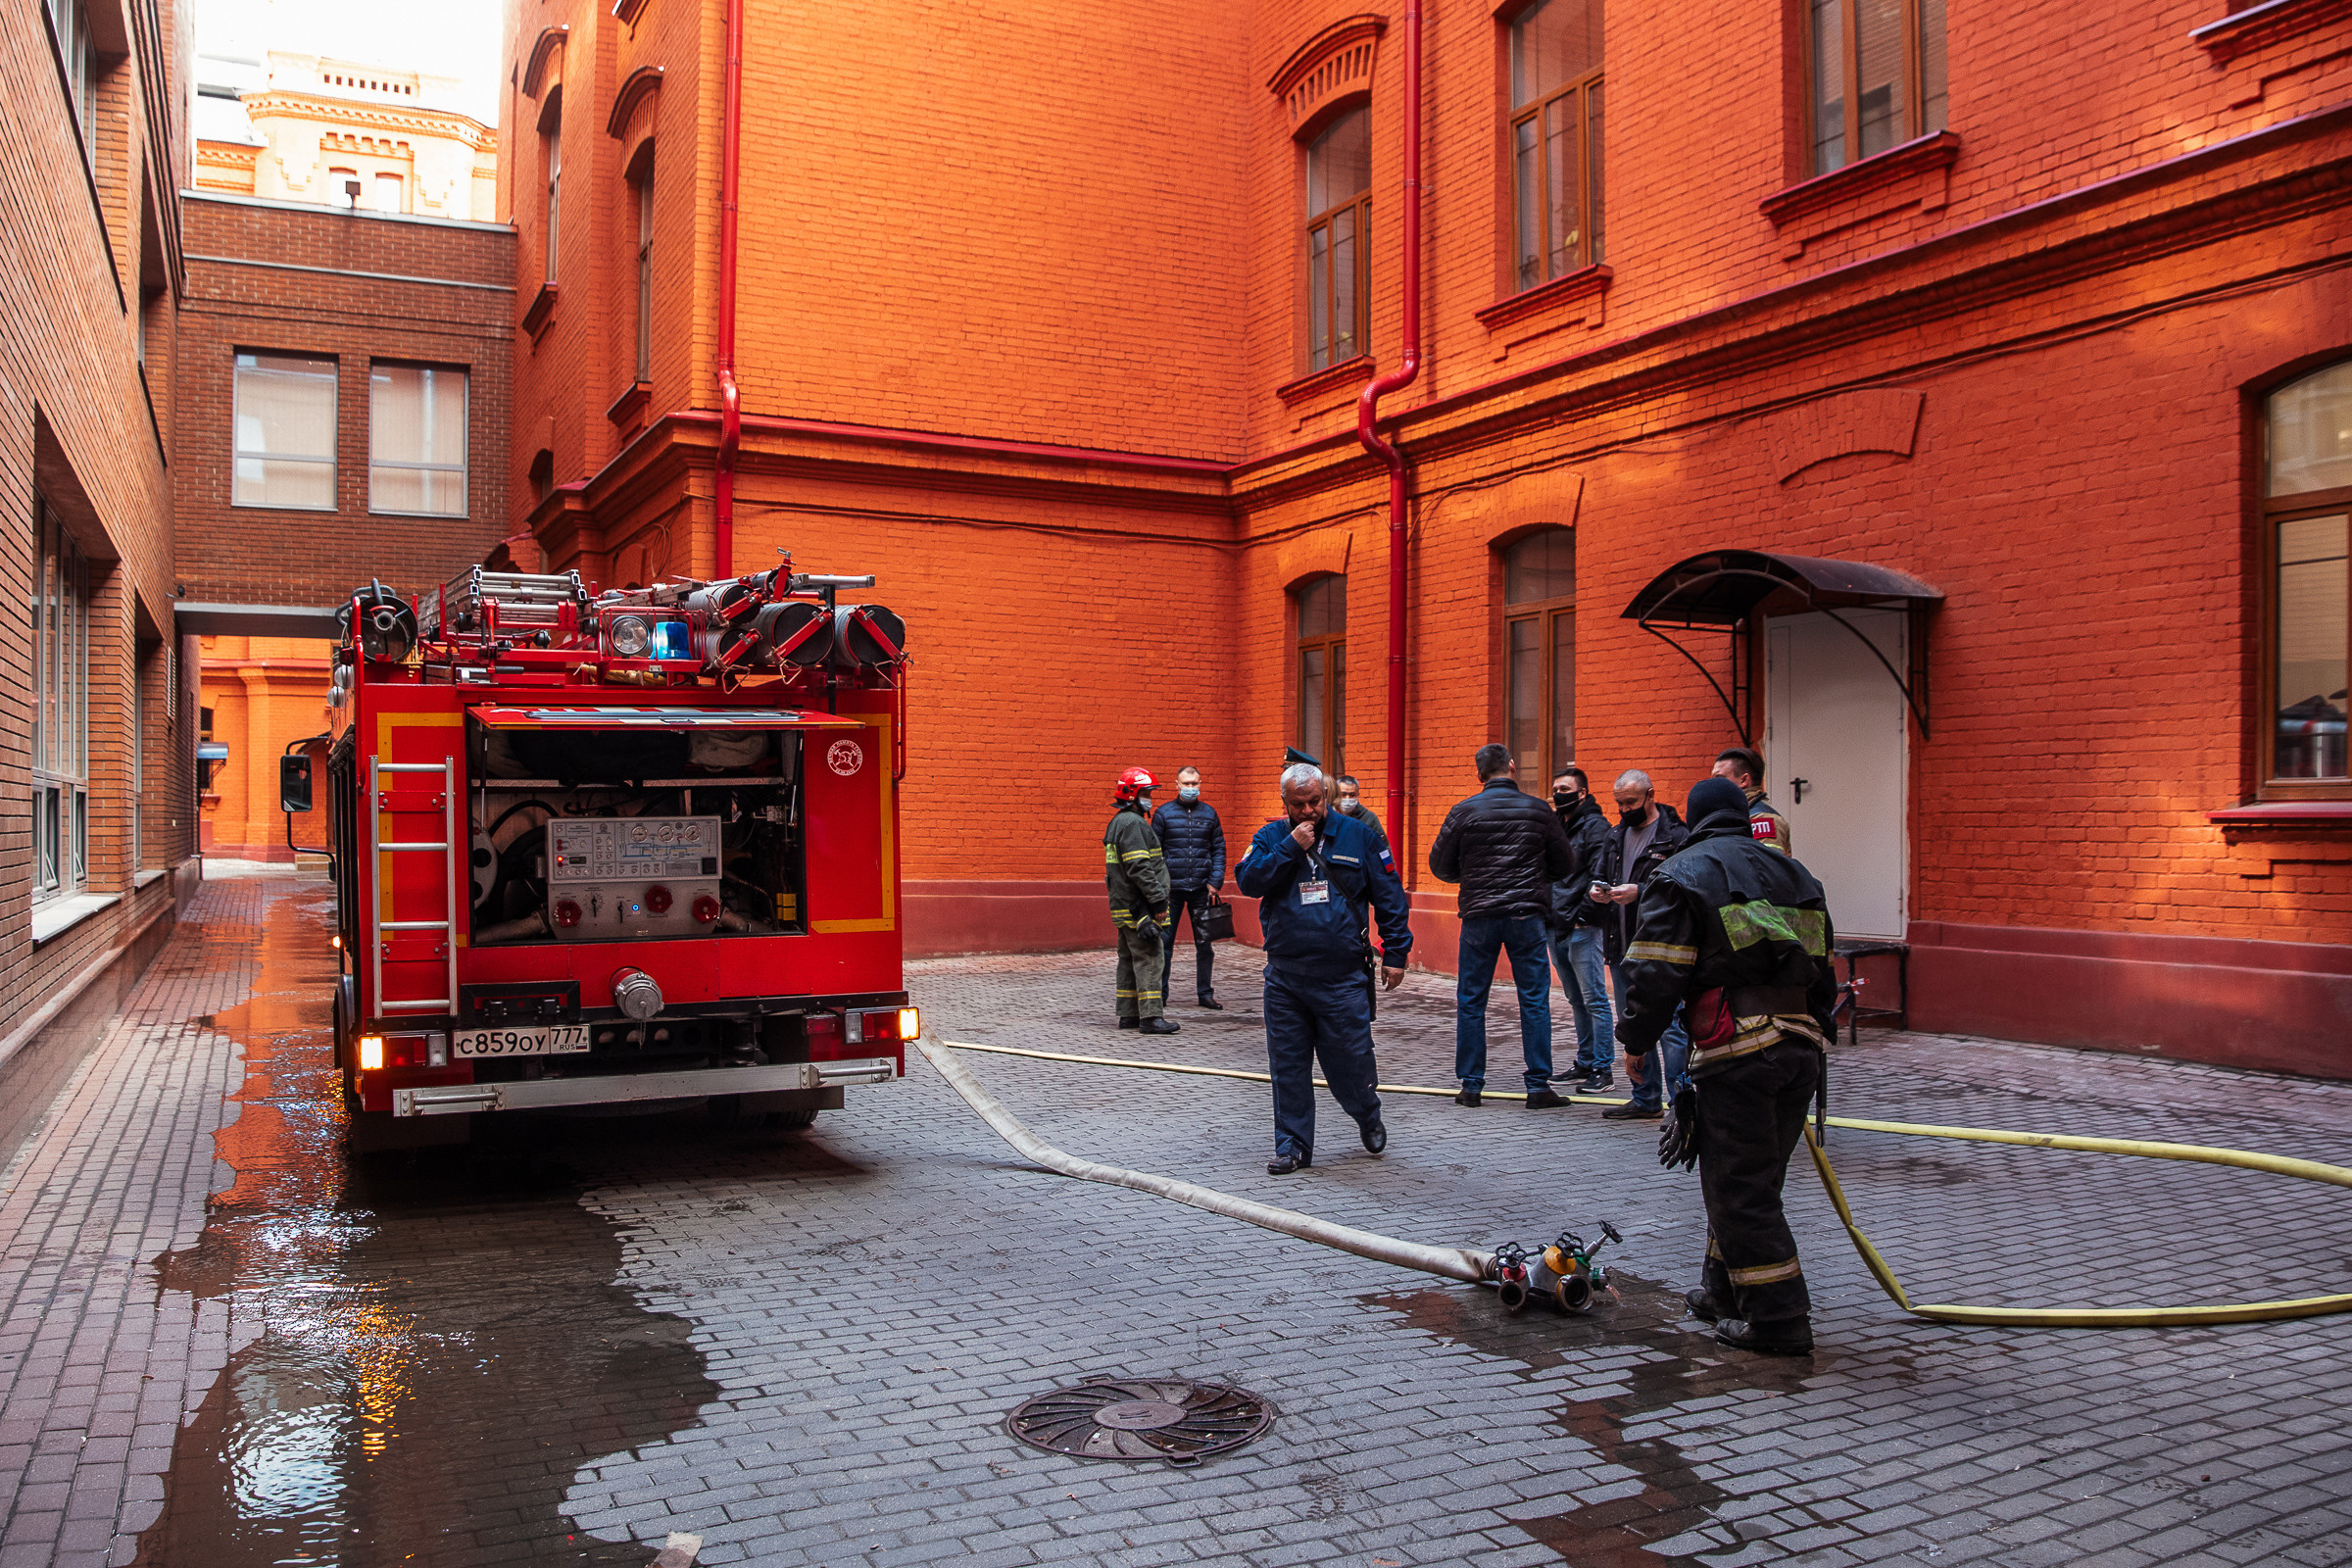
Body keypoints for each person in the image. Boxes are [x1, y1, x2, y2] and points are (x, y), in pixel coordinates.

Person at [1616, 775, 1838, 1355]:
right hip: (1798, 1049)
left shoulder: (1684, 873)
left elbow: (1657, 970)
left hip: (1737, 1051)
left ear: (1691, 821)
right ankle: (1723, 1291)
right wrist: (1816, 1036)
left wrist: (1635, 1041)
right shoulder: (1798, 874)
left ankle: (1779, 1319)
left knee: (1739, 1188)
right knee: (1755, 1179)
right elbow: (1823, 967)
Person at [1235, 763, 1413, 1174]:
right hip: (1285, 977)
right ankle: (1293, 1146)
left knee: (1350, 1063)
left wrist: (1397, 953)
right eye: (1299, 804)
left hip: (1342, 977)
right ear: (1285, 804)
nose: (1308, 810)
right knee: (1288, 1065)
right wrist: (1290, 848)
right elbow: (1248, 881)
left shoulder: (1361, 837)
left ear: (1326, 797)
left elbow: (1389, 897)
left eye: (1315, 802)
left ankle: (1367, 1111)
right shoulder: (1270, 838)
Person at [1429, 744, 1575, 1108]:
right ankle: (1539, 1086)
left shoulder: (1464, 811)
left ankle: (1472, 1085)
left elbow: (1440, 865)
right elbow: (1564, 863)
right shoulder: (1539, 810)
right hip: (1526, 914)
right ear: (1512, 766)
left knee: (1471, 999)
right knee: (1534, 999)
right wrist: (1536, 878)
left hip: (1479, 915)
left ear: (1479, 775)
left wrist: (1473, 877)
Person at [1587, 769, 1690, 1121]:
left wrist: (1639, 892)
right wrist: (1597, 892)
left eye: (1630, 802)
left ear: (1650, 795)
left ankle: (1680, 1102)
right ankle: (1645, 1096)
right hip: (1621, 945)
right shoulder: (1615, 835)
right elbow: (1599, 873)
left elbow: (1682, 890)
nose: (1624, 809)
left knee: (1671, 1026)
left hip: (1662, 948)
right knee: (1632, 1024)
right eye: (1619, 803)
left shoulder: (1675, 836)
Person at [1545, 766, 1617, 1093]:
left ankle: (1603, 1068)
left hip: (1581, 925)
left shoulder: (1596, 827)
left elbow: (1601, 876)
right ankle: (1585, 1061)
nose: (1559, 794)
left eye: (1565, 789)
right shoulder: (1559, 824)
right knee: (1575, 999)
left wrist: (1582, 917)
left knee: (1595, 999)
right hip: (1556, 924)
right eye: (1556, 788)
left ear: (1582, 793)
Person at [1102, 765, 1179, 1035]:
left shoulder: (1118, 822)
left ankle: (1128, 1015)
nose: (1150, 798)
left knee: (1128, 958)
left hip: (1124, 905)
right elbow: (1139, 868)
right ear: (1133, 795)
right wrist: (1157, 901)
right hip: (1140, 908)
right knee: (1149, 957)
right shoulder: (1133, 824)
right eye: (1146, 793)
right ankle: (1150, 1017)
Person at [1151, 765, 1228, 1009]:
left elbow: (1219, 849)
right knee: (1164, 944)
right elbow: (1155, 853)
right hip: (1170, 890)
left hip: (1201, 890)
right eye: (1186, 784)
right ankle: (1160, 995)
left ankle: (1205, 994)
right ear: (1177, 785)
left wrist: (1215, 882)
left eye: (1195, 784)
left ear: (1201, 783)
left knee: (1205, 945)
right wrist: (1160, 887)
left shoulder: (1210, 814)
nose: (1191, 788)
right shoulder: (1163, 814)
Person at [1712, 746, 1790, 856]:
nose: (1713, 784)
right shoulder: (1736, 814)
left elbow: (1767, 868)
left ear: (1744, 780)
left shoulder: (1762, 819)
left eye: (1719, 778)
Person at [1333, 775, 1389, 855]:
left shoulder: (1369, 818)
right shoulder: (1330, 817)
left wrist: (1389, 867)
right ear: (1336, 794)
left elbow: (1383, 848)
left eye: (1352, 795)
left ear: (1358, 795)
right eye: (1343, 794)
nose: (1348, 798)